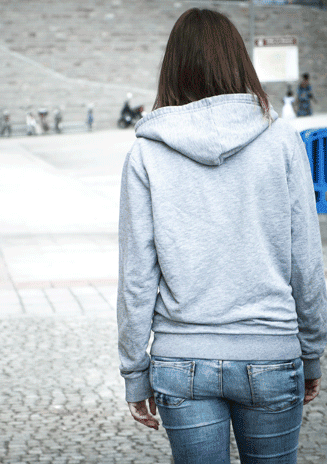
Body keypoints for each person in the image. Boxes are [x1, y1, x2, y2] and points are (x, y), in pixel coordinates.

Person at [117, 8, 327, 464]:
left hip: (181, 358)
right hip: (270, 350)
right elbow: (307, 262)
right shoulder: (282, 141)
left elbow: (137, 276)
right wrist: (311, 352)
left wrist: (135, 372)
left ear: (171, 68)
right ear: (239, 62)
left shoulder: (146, 155)